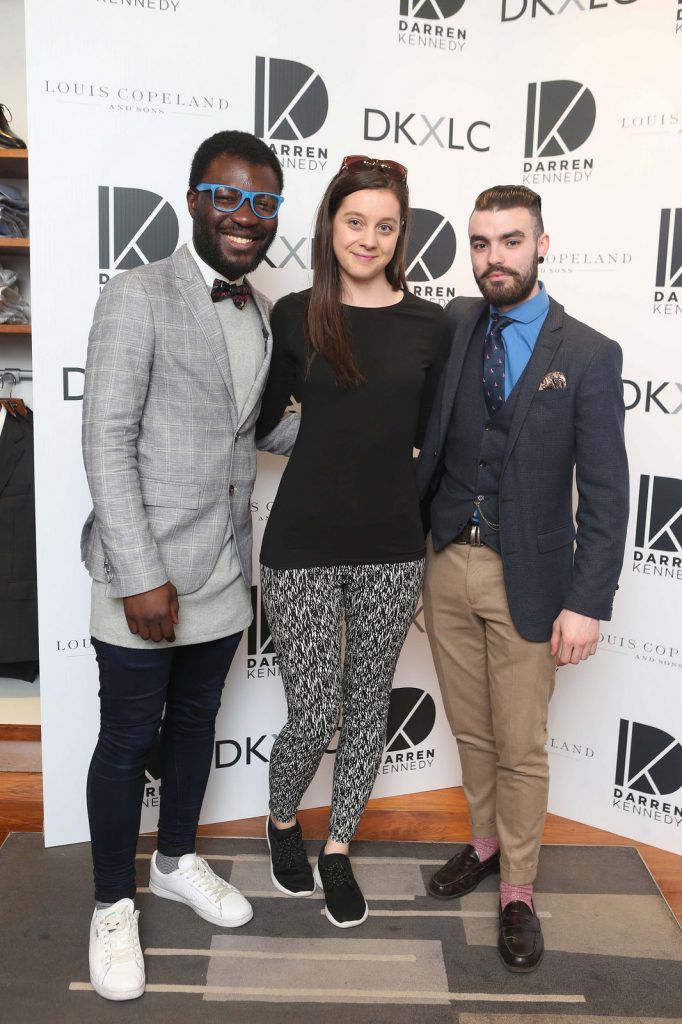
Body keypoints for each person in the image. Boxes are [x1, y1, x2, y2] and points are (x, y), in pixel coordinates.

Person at [81, 130, 297, 1001]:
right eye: (230, 196)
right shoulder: (138, 295)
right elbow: (105, 440)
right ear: (195, 199)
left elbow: (252, 427)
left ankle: (174, 860)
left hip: (221, 572)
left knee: (196, 724)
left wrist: (358, 440)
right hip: (145, 572)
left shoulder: (263, 312)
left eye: (264, 202)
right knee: (128, 740)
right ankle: (108, 905)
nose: (247, 217)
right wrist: (138, 573)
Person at [417, 184, 628, 972]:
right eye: (479, 242)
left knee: (521, 743)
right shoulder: (454, 323)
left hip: (532, 579)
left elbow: (607, 492)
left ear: (542, 245)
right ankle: (482, 843)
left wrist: (586, 601)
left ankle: (518, 887)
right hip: (444, 564)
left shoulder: (589, 354)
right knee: (470, 730)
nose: (492, 257)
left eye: (510, 241)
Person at [255, 155, 450, 929]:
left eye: (385, 226)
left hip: (393, 546)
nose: (368, 238)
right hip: (300, 543)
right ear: (331, 224)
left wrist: (388, 453)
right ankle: (281, 822)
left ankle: (337, 846)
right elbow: (268, 423)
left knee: (368, 703)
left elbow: (430, 437)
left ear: (401, 235)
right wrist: (330, 436)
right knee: (311, 712)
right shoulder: (298, 312)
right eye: (354, 221)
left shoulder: (431, 323)